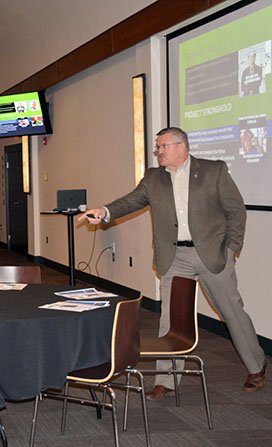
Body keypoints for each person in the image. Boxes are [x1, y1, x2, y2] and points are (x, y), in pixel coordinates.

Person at [80, 126, 267, 396]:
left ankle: (256, 365)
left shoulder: (214, 170)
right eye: (157, 147)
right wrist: (105, 211)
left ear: (181, 146)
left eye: (163, 146)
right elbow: (131, 201)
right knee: (170, 318)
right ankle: (167, 380)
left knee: (231, 312)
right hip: (174, 256)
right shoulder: (154, 177)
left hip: (212, 255)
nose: (158, 152)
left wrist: (231, 250)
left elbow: (236, 211)